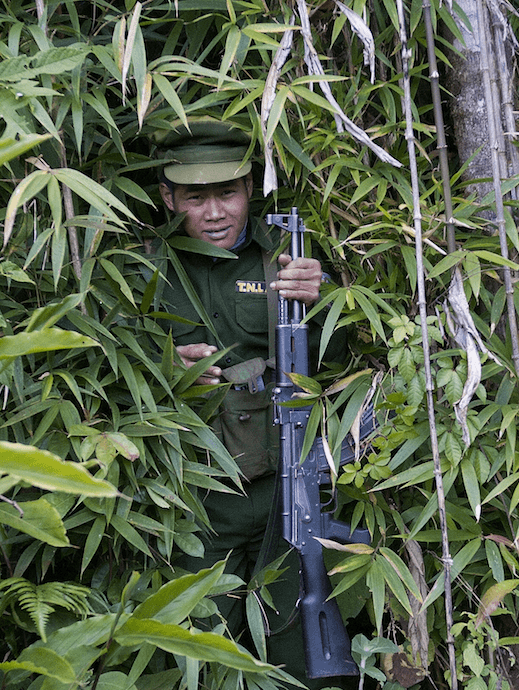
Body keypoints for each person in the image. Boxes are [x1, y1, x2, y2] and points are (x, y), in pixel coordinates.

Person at [152, 118, 350, 687]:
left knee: (303, 654)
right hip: (195, 505)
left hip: (286, 492)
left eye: (228, 193)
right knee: (204, 659)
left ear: (249, 191)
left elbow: (342, 365)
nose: (215, 213)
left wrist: (325, 300)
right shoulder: (144, 268)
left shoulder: (287, 261)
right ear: (168, 197)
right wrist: (164, 369)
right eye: (195, 197)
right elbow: (105, 382)